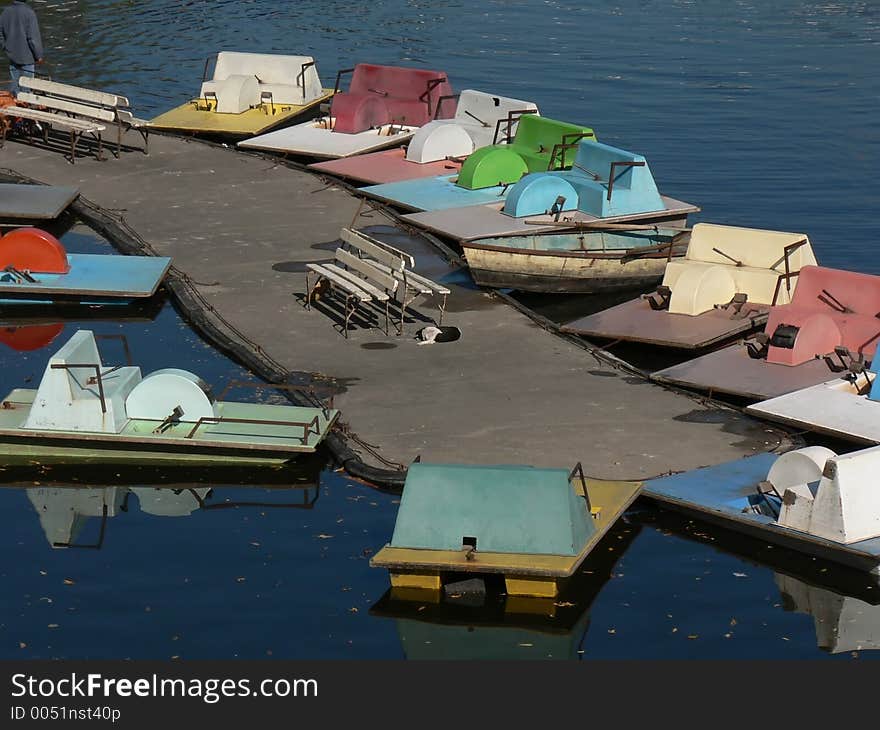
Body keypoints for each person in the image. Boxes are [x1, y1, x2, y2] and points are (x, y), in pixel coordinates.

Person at [0, 0, 43, 96]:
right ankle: (24, 106)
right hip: (27, 57)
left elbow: (0, 33)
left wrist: (5, 47)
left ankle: (15, 103)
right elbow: (33, 38)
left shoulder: (5, 12)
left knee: (15, 88)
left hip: (12, 56)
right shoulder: (29, 13)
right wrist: (39, 56)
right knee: (26, 89)